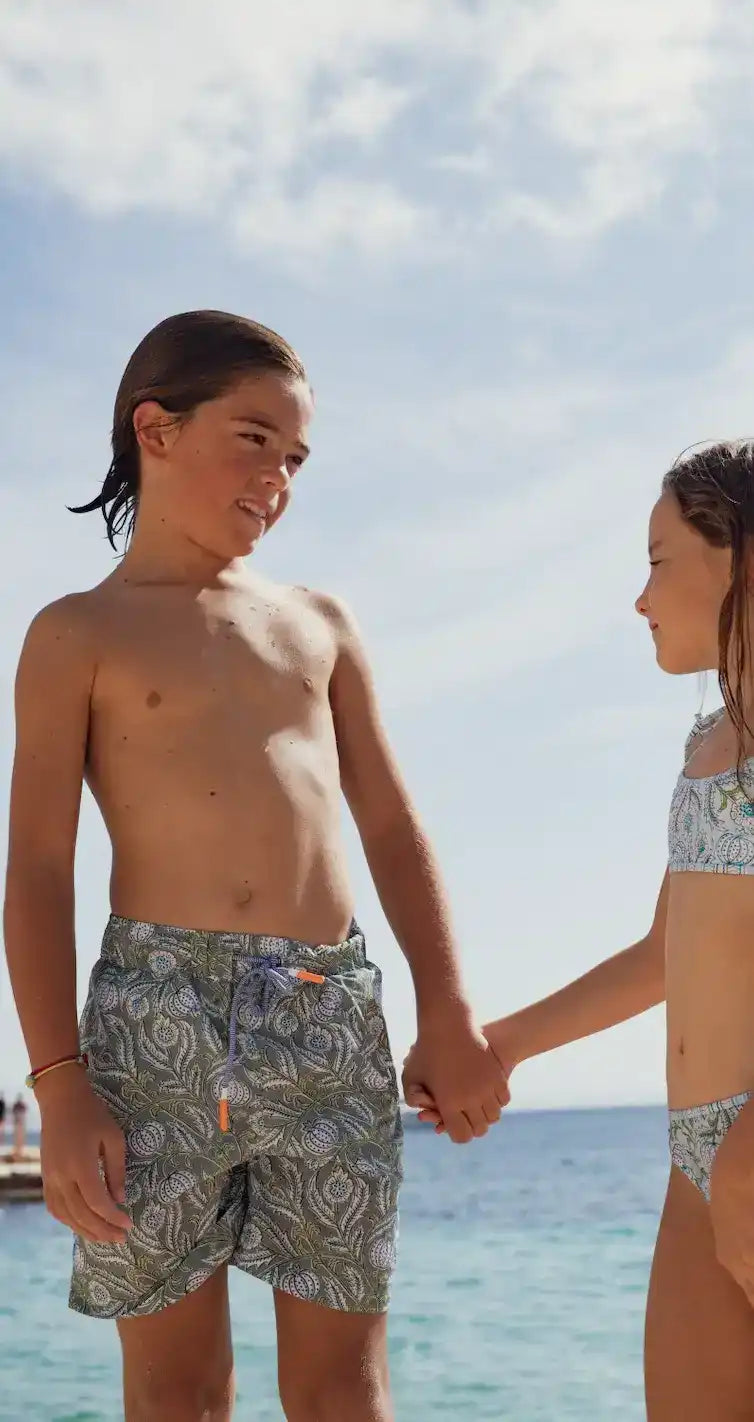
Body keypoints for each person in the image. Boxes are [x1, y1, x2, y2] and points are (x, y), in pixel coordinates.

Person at [3, 310, 508, 1422]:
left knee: (344, 1389)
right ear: (157, 429)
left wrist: (449, 1009)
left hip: (330, 1014)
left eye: (295, 457)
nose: (278, 476)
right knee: (179, 1390)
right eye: (254, 438)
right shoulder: (76, 634)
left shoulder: (317, 623)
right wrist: (60, 1081)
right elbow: (38, 866)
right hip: (155, 1021)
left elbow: (386, 822)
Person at [406, 441, 754, 1421]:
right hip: (696, 1156)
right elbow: (663, 957)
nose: (638, 598)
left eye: (657, 560)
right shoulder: (705, 746)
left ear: (740, 559)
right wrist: (498, 1047)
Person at [11, 1093, 28, 1159]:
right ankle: (18, 1149)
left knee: (19, 1137)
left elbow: (24, 1112)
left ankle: (19, 1150)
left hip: (20, 1123)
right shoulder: (18, 1106)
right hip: (18, 1123)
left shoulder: (20, 1105)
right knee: (18, 1137)